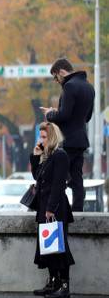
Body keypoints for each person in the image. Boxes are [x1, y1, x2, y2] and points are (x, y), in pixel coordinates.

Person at [42, 58, 95, 212]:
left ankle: (58, 208)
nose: (56, 81)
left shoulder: (70, 87)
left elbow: (64, 115)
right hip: (81, 140)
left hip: (68, 141)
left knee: (59, 176)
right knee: (77, 177)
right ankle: (78, 208)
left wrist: (50, 114)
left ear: (61, 72)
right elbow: (88, 116)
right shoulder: (89, 87)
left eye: (55, 77)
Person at [31, 122, 75, 298]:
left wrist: (50, 209)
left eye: (44, 137)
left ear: (53, 137)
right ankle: (54, 282)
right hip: (45, 206)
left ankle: (64, 286)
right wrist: (36, 157)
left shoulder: (60, 155)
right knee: (47, 247)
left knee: (59, 248)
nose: (41, 141)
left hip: (55, 208)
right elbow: (37, 177)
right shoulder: (47, 156)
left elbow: (58, 184)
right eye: (40, 137)